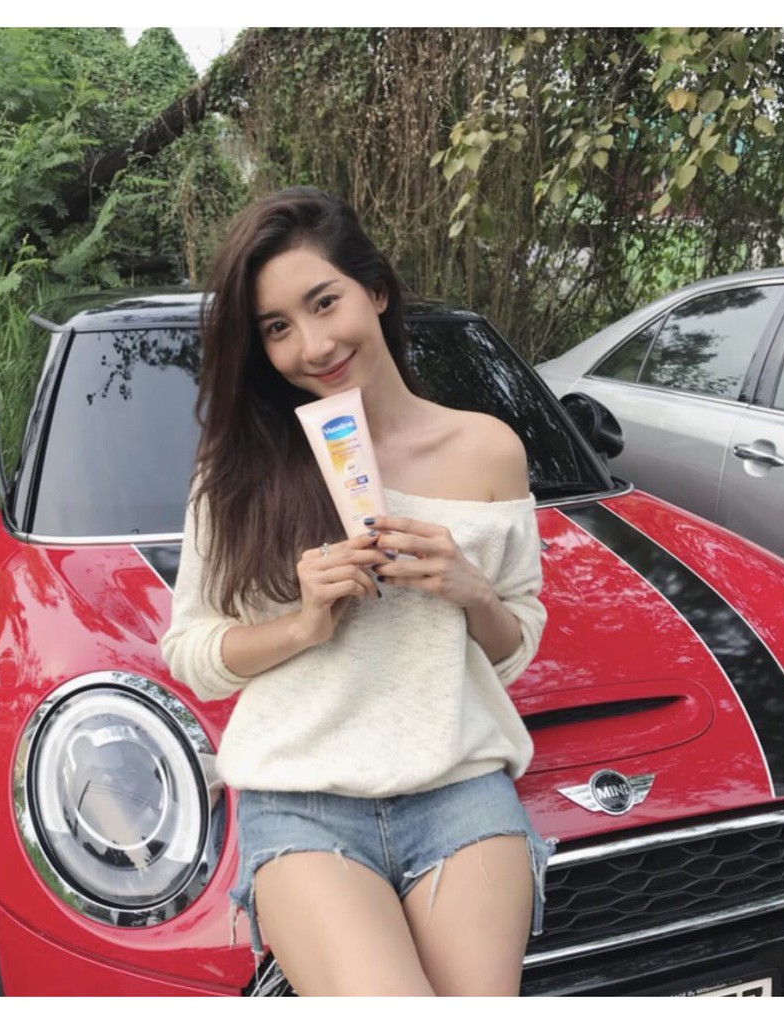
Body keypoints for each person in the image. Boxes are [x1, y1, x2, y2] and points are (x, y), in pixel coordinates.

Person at [160, 186, 553, 996]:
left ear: (374, 290)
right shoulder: (238, 472)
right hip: (302, 796)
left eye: (323, 302)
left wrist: (472, 592)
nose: (313, 345)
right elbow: (192, 653)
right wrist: (303, 623)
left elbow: (516, 643)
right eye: (276, 328)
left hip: (459, 789)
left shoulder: (488, 451)